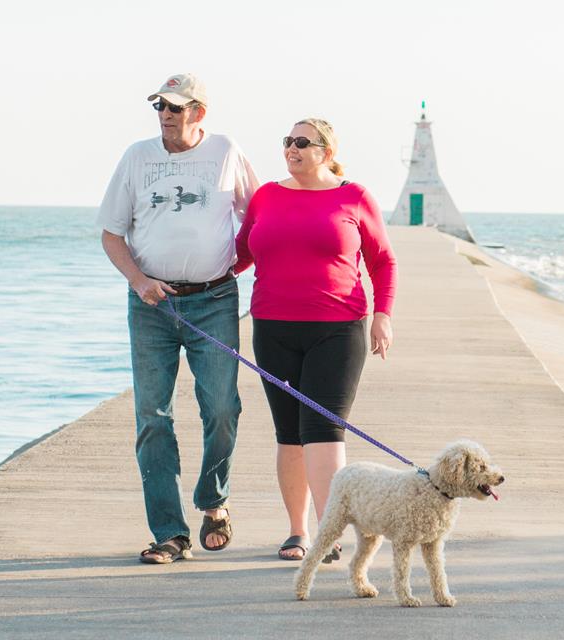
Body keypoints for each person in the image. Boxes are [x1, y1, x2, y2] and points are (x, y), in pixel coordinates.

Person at [99, 73, 259, 564]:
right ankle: (169, 533)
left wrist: (239, 266)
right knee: (153, 417)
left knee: (222, 409)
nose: (166, 114)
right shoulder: (136, 157)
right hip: (151, 304)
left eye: (176, 106)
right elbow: (111, 233)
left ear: (198, 113)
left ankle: (213, 501)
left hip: (213, 300)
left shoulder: (226, 151)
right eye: (160, 106)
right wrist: (138, 282)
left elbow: (257, 218)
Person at [232, 118, 397, 563]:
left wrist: (382, 315)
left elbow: (383, 261)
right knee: (288, 434)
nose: (292, 148)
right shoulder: (267, 195)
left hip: (337, 330)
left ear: (326, 151)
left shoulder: (354, 196)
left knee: (322, 430)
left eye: (303, 142)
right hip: (272, 327)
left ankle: (330, 534)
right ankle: (298, 532)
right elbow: (241, 253)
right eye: (287, 140)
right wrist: (189, 281)